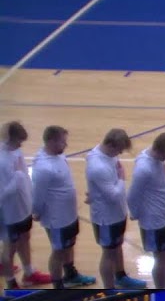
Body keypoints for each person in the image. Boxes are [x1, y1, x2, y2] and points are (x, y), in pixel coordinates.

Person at [32, 126, 95, 288]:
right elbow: (38, 194)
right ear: (52, 141)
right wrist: (37, 212)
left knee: (69, 244)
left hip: (69, 214)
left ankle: (70, 274)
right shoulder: (43, 168)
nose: (65, 145)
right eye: (62, 142)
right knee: (58, 251)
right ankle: (57, 284)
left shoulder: (58, 156)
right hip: (56, 218)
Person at [86, 128, 146, 289]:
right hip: (106, 218)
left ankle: (121, 276)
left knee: (116, 247)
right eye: (119, 150)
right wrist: (121, 178)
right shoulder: (98, 166)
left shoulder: (105, 155)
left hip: (117, 214)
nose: (119, 153)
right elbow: (113, 195)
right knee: (108, 253)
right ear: (111, 145)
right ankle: (108, 288)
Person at [127, 132, 165, 289]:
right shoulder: (143, 169)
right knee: (160, 258)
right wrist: (136, 213)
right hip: (153, 222)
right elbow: (132, 195)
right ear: (160, 150)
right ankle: (161, 291)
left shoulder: (156, 160)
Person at [1, 122, 51, 289]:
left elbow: (24, 177)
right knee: (9, 249)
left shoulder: (15, 151)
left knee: (25, 239)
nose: (20, 145)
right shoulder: (1, 160)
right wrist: (18, 179)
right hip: (9, 213)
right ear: (10, 139)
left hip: (22, 207)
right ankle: (10, 281)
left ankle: (29, 273)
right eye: (18, 142)